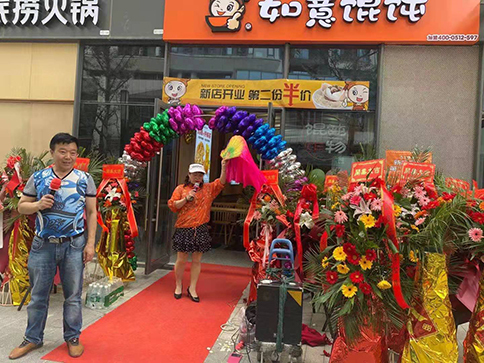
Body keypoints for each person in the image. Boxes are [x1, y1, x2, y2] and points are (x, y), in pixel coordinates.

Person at [9, 133, 97, 360]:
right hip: (43, 245)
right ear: (52, 152)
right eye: (63, 151)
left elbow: (91, 212)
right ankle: (32, 338)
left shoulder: (84, 178)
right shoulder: (38, 178)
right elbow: (21, 207)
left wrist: (90, 244)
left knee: (73, 296)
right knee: (38, 296)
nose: (68, 156)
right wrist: (38, 204)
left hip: (74, 245)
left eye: (73, 152)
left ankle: (73, 337)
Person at [168, 160, 227, 302]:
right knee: (181, 259)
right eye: (194, 174)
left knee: (197, 260)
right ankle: (178, 285)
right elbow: (173, 205)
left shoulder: (208, 189)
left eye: (200, 175)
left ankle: (192, 288)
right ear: (189, 175)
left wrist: (224, 167)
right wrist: (186, 199)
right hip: (183, 227)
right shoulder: (180, 189)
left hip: (200, 228)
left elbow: (221, 182)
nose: (197, 177)